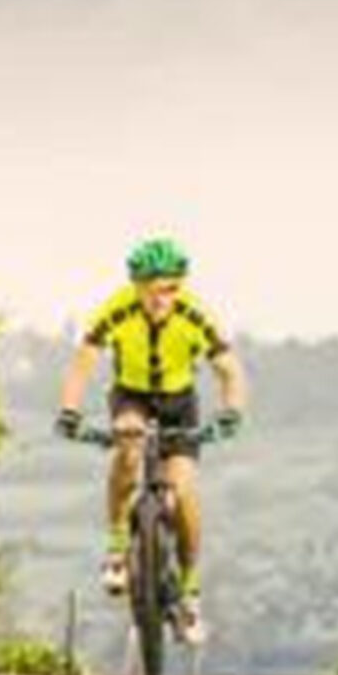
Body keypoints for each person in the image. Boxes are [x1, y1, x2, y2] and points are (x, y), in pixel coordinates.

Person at [54, 236, 248, 645]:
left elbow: (229, 370)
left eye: (173, 288)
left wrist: (231, 412)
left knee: (183, 489)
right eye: (156, 289)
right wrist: (70, 411)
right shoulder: (117, 310)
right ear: (137, 287)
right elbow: (82, 365)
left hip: (180, 402)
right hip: (133, 396)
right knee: (128, 447)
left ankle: (191, 591)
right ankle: (118, 546)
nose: (165, 297)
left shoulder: (195, 315)